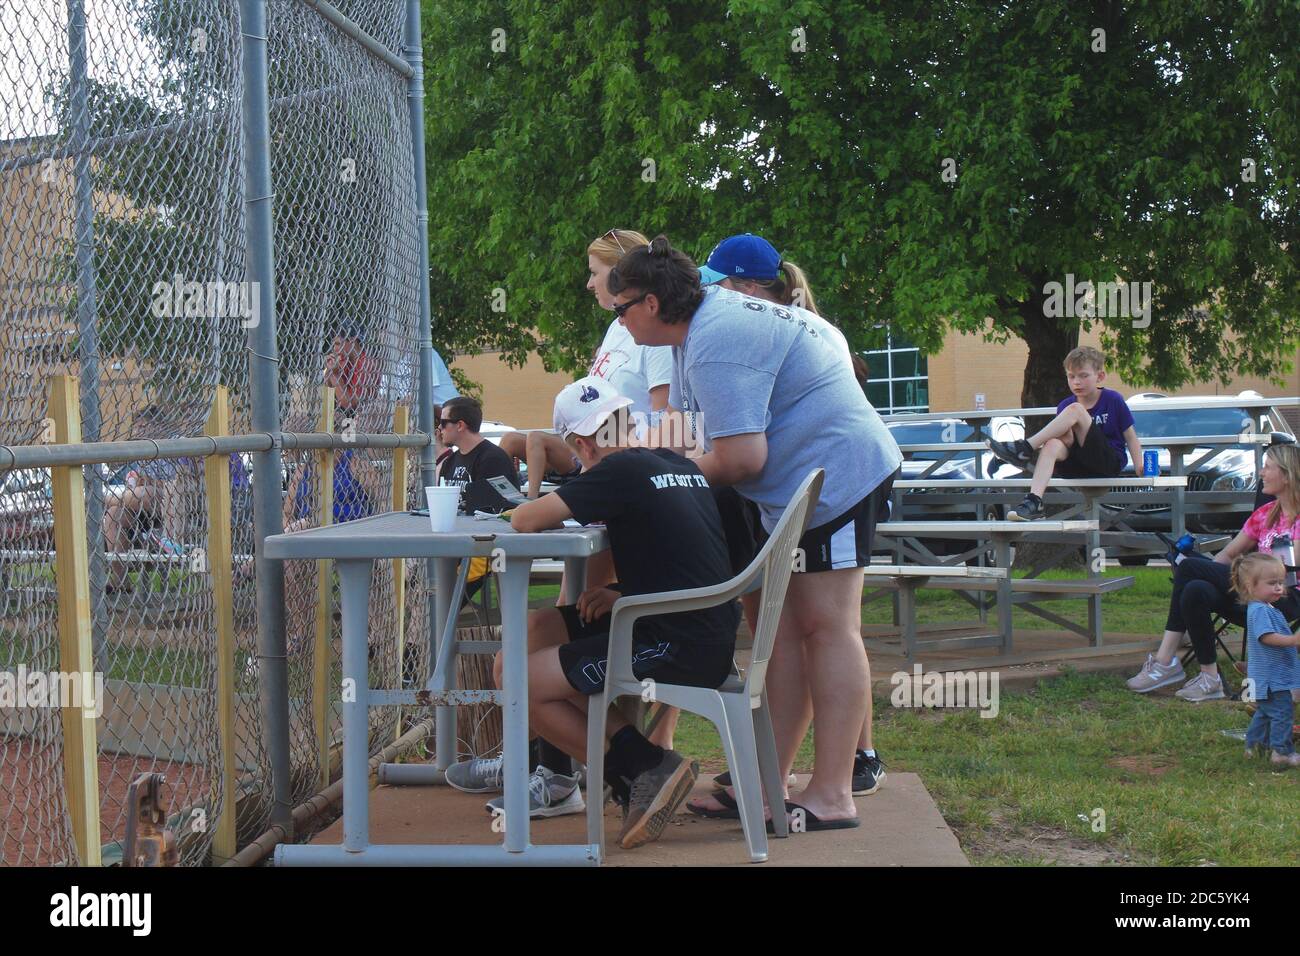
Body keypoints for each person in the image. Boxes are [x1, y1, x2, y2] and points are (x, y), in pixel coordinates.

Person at [607, 235, 902, 831]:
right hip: (807, 483)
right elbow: (694, 440)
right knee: (789, 634)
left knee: (827, 628)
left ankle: (833, 795)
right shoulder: (700, 331)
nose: (617, 323)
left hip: (839, 476)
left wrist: (652, 485)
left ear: (652, 304)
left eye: (619, 309)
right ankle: (771, 783)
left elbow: (742, 459)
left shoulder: (716, 339)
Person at [445, 377, 739, 847]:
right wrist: (622, 591)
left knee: (517, 677)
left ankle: (643, 767)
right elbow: (685, 558)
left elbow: (524, 519)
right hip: (692, 620)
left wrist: (569, 486)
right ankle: (606, 774)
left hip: (678, 642)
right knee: (530, 634)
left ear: (579, 443)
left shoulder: (614, 471)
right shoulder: (672, 462)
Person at [500, 228, 671, 493]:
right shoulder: (617, 328)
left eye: (594, 272)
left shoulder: (654, 333)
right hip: (606, 476)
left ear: (618, 273)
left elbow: (666, 426)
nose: (589, 284)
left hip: (636, 481)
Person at [1126, 440, 1300, 701]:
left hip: (1283, 598)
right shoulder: (1264, 514)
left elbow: (1290, 572)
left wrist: (1207, 569)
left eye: (1267, 467)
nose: (1261, 473)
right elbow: (1229, 554)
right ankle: (1210, 678)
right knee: (1195, 587)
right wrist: (1210, 574)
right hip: (1251, 597)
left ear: (1286, 474)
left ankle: (1165, 660)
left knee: (1190, 565)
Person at [988, 346, 1143, 521]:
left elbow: (1130, 436)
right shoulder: (1065, 406)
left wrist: (1140, 467)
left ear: (1099, 376)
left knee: (1076, 410)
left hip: (1106, 464)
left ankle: (1025, 448)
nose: (1076, 382)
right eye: (1071, 376)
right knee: (1052, 444)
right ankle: (1034, 502)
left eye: (1083, 375)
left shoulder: (1112, 399)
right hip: (1078, 465)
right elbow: (1067, 440)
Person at [1232, 552, 1300, 767]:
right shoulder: (1261, 611)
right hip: (1272, 677)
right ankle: (1281, 752)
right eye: (1272, 583)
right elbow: (1267, 637)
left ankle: (1254, 747)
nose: (1279, 587)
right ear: (1250, 587)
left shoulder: (1264, 608)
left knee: (1265, 712)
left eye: (1281, 582)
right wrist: (1292, 640)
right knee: (1282, 713)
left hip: (1265, 675)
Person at [434, 396, 520, 514]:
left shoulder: (493, 460)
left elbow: (488, 513)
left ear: (460, 425)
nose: (439, 428)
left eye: (443, 423)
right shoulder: (449, 462)